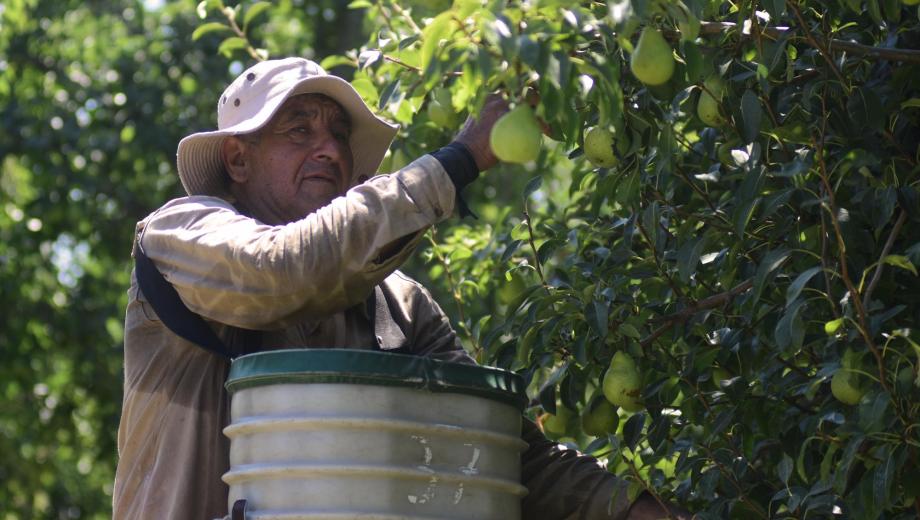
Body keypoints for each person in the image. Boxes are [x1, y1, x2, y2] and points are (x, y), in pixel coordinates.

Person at [113, 57, 689, 520]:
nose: (332, 149)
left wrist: (632, 509)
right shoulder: (181, 234)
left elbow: (496, 451)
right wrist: (458, 160)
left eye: (340, 135)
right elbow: (281, 271)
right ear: (237, 159)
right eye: (299, 129)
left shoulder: (400, 306)